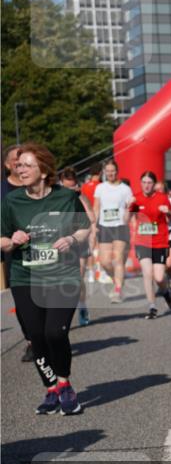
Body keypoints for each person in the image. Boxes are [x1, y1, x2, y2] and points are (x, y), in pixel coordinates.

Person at [1, 144, 91, 415]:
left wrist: (71, 238)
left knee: (55, 332)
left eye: (27, 164)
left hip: (62, 276)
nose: (21, 169)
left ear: (44, 171)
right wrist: (11, 240)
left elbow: (85, 228)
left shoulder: (65, 197)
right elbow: (1, 239)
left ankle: (65, 384)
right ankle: (51, 388)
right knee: (36, 335)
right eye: (18, 165)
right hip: (24, 276)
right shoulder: (12, 201)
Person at [2, 144, 35, 362]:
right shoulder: (2, 190)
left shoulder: (34, 185)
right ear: (7, 165)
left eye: (23, 159)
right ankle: (33, 340)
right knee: (22, 302)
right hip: (13, 252)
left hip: (42, 250)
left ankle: (50, 334)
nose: (19, 162)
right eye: (16, 159)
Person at [131, 172, 171, 318]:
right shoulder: (135, 198)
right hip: (142, 241)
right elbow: (126, 218)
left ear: (154, 184)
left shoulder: (162, 198)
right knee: (147, 273)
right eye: (143, 182)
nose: (146, 185)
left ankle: (166, 293)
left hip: (159, 241)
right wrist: (128, 206)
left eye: (149, 182)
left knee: (159, 277)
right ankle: (152, 306)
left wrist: (167, 212)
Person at [58, 168, 96, 326]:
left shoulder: (80, 197)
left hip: (79, 241)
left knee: (78, 278)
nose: (69, 191)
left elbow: (92, 218)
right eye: (65, 187)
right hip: (61, 243)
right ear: (60, 184)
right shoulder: (54, 197)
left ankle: (81, 306)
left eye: (72, 187)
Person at [92, 160, 133, 303]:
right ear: (104, 172)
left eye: (112, 171)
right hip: (104, 226)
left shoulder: (125, 189)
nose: (110, 173)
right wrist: (93, 224)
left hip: (120, 226)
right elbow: (96, 207)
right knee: (104, 262)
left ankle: (117, 291)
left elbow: (130, 207)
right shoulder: (100, 188)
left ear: (117, 171)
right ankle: (117, 279)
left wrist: (130, 220)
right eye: (107, 171)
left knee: (118, 259)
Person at [153, 179, 171, 290]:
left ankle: (169, 275)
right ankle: (162, 284)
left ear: (165, 191)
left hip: (170, 234)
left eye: (161, 190)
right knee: (159, 264)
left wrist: (169, 214)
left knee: (169, 264)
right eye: (156, 190)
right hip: (156, 236)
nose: (158, 192)